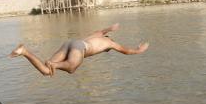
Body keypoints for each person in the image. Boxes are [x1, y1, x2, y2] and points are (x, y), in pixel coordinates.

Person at [10, 23, 149, 76]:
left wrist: (110, 28)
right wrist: (139, 50)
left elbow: (100, 31)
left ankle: (24, 52)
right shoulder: (109, 43)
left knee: (46, 72)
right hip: (80, 47)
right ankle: (54, 64)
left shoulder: (96, 36)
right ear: (109, 38)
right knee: (71, 68)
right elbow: (126, 51)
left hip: (70, 43)